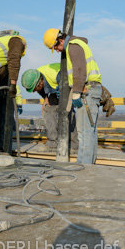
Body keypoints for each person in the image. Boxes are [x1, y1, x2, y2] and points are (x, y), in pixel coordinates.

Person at [43, 29, 101, 164]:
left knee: (84, 134)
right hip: (91, 90)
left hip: (87, 91)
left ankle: (83, 167)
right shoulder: (77, 45)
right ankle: (89, 166)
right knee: (90, 132)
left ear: (61, 40)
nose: (57, 50)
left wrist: (76, 92)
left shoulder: (73, 46)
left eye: (56, 47)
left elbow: (79, 70)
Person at [20, 64, 78, 153]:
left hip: (68, 87)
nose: (34, 91)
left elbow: (71, 82)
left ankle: (73, 145)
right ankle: (52, 144)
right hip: (57, 90)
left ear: (40, 82)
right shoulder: (36, 76)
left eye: (35, 88)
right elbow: (42, 90)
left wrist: (67, 94)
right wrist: (46, 99)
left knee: (68, 113)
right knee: (48, 109)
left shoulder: (55, 75)